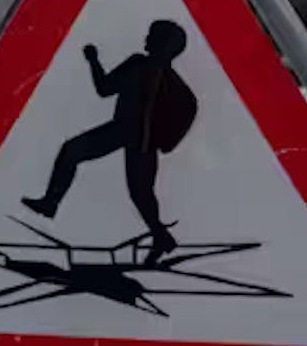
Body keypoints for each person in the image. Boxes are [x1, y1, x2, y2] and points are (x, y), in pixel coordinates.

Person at [21, 20, 197, 265]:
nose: (145, 39)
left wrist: (166, 141)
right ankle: (50, 204)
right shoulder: (140, 65)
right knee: (75, 152)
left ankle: (161, 237)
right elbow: (105, 89)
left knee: (140, 194)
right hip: (126, 133)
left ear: (163, 44)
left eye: (151, 36)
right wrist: (93, 61)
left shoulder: (164, 78)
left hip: (137, 139)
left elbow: (188, 108)